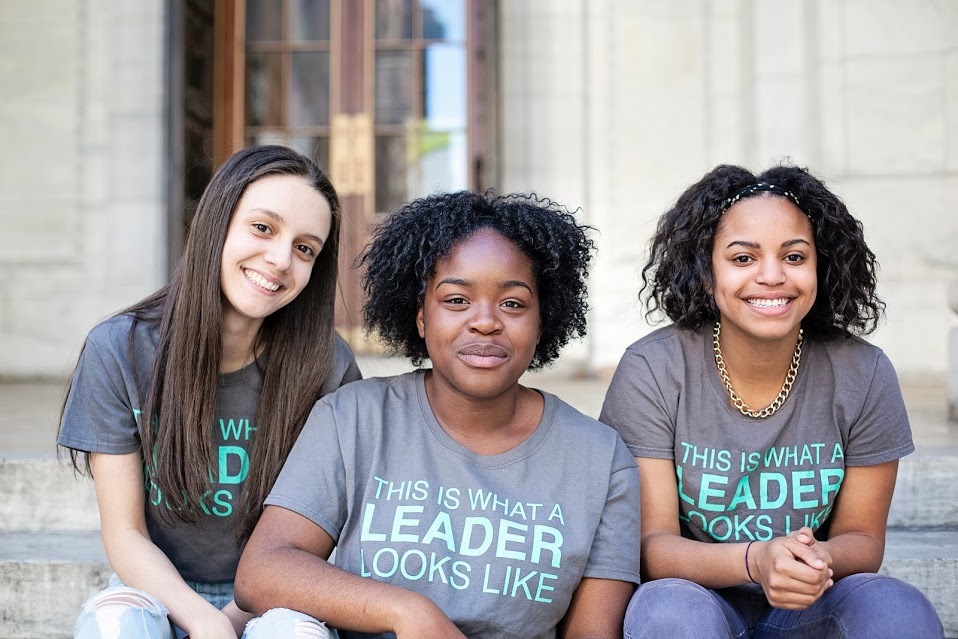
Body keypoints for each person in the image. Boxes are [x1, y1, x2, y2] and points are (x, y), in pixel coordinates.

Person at [234, 191, 641, 639]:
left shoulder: (600, 460)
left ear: (543, 322)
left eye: (512, 303)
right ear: (421, 317)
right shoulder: (353, 418)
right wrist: (409, 613)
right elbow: (262, 571)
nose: (485, 322)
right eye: (456, 300)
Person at [600, 164, 944, 638]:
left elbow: (863, 540)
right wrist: (754, 560)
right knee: (669, 611)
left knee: (895, 606)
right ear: (706, 272)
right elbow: (652, 546)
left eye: (795, 257)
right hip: (697, 598)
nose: (771, 276)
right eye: (742, 258)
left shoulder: (863, 373)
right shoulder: (653, 370)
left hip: (812, 600)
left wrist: (809, 559)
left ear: (821, 266)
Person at [57, 145, 362, 639]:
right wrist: (203, 622)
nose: (281, 259)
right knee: (113, 624)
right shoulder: (119, 350)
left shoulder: (327, 366)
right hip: (156, 587)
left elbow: (322, 537)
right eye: (263, 228)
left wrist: (233, 620)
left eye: (305, 248)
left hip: (277, 597)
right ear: (216, 222)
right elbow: (126, 533)